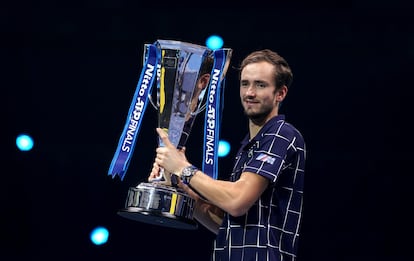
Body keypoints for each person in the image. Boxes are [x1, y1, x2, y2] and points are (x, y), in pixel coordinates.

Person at [149, 49, 306, 261]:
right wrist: (180, 186)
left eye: (260, 85)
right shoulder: (248, 147)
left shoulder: (282, 134)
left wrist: (183, 168)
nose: (249, 92)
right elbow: (226, 223)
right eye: (245, 83)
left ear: (280, 93)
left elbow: (237, 201)